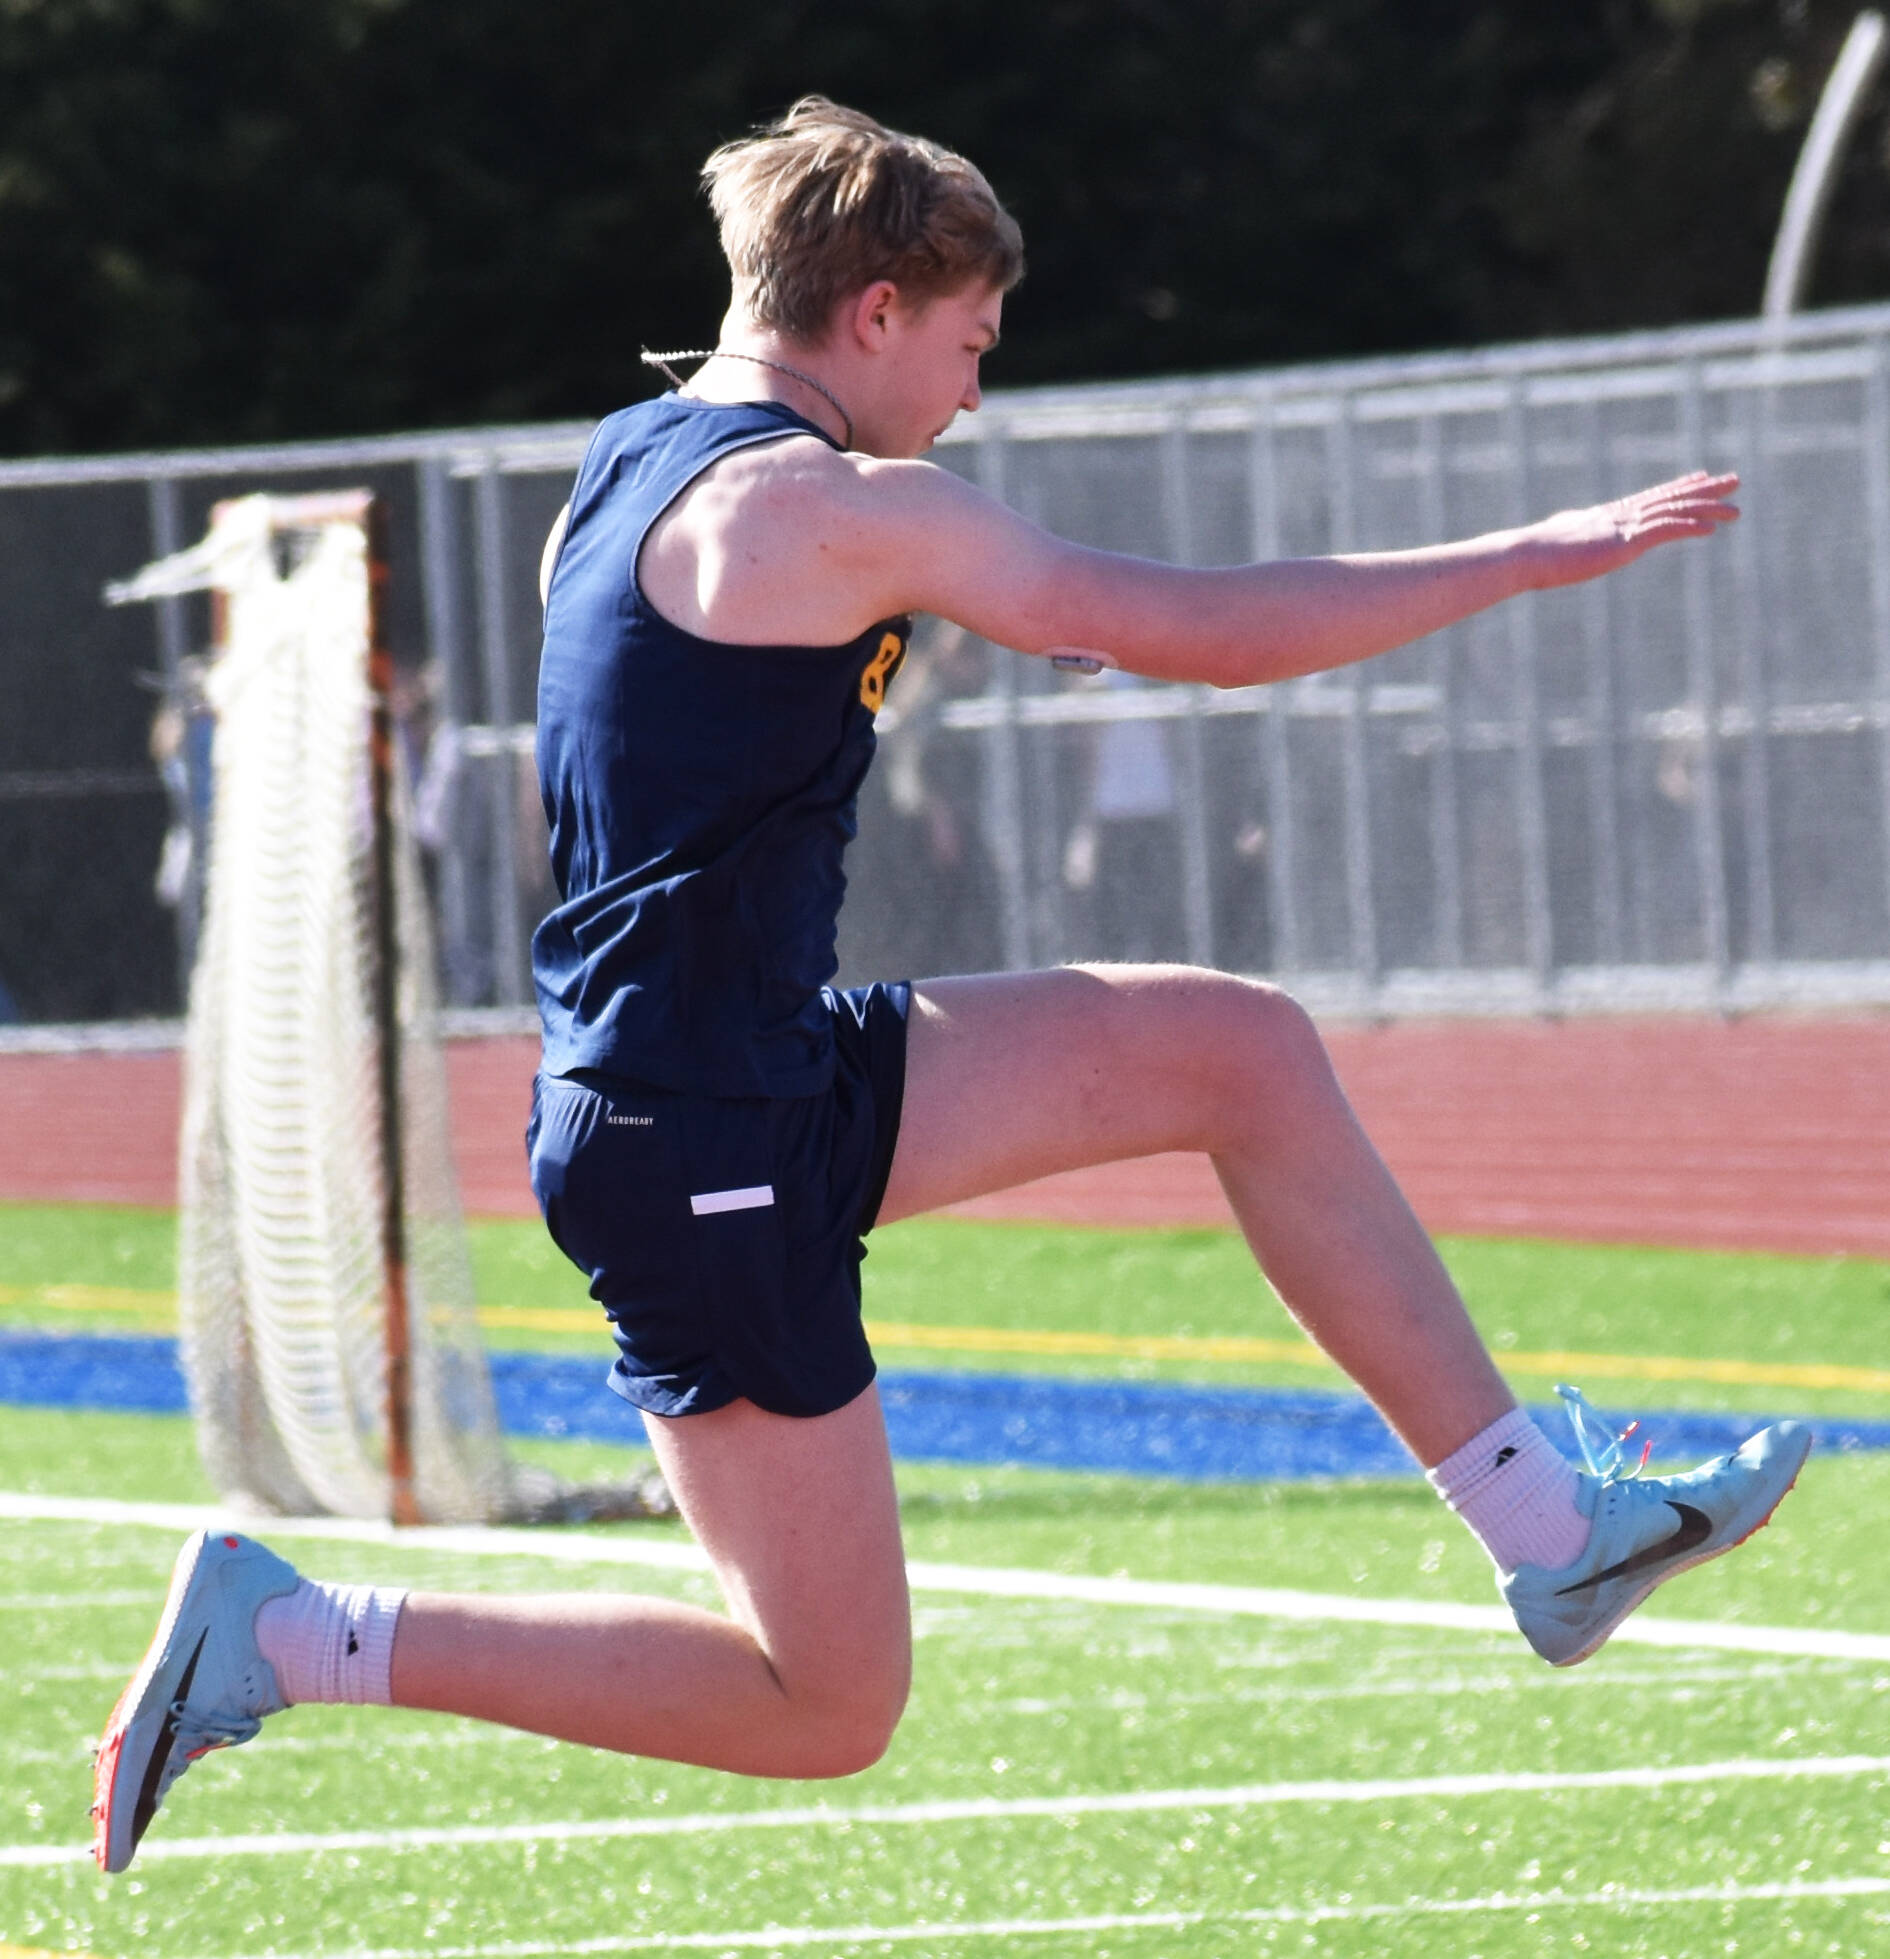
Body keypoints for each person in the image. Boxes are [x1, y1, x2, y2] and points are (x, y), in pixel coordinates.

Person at [92, 95, 1809, 1875]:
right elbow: (1210, 637)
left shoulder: (622, 465)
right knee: (825, 1707)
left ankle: (1549, 1530)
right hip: (701, 1138)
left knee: (1234, 1052)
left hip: (735, 1081)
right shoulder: (823, 509)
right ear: (878, 309)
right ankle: (290, 1637)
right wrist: (1539, 553)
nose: (975, 394)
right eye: (971, 343)